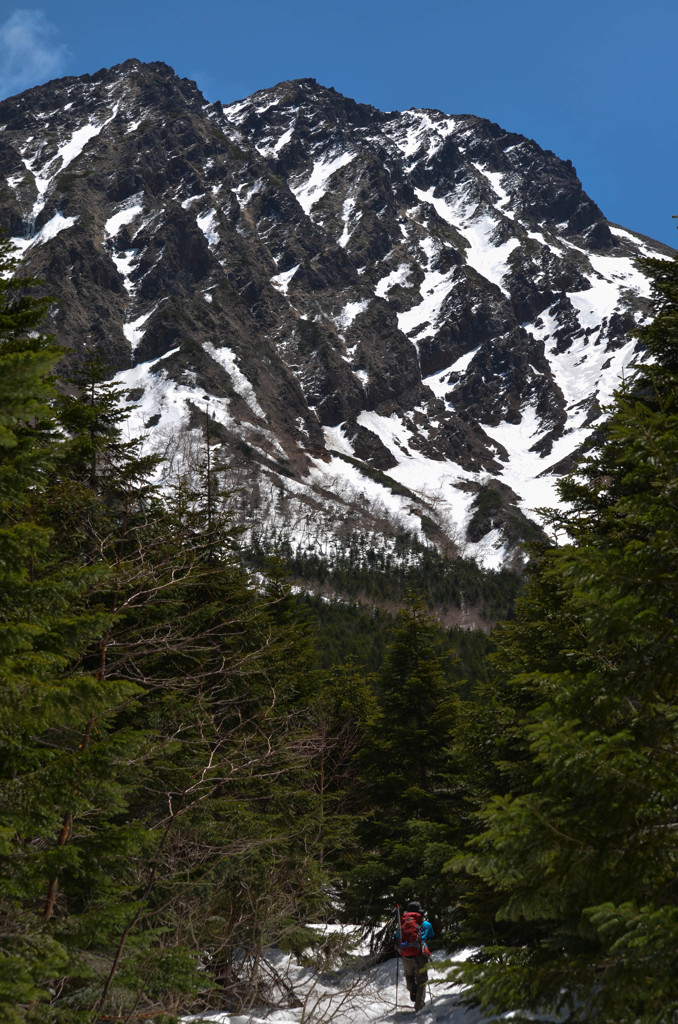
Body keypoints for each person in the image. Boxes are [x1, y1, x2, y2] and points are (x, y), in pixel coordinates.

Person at [397, 900, 434, 1011]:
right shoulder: (426, 924)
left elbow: (397, 937)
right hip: (420, 954)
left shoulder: (402, 924)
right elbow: (431, 935)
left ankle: (413, 988)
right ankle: (419, 1008)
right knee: (422, 980)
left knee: (409, 977)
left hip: (406, 955)